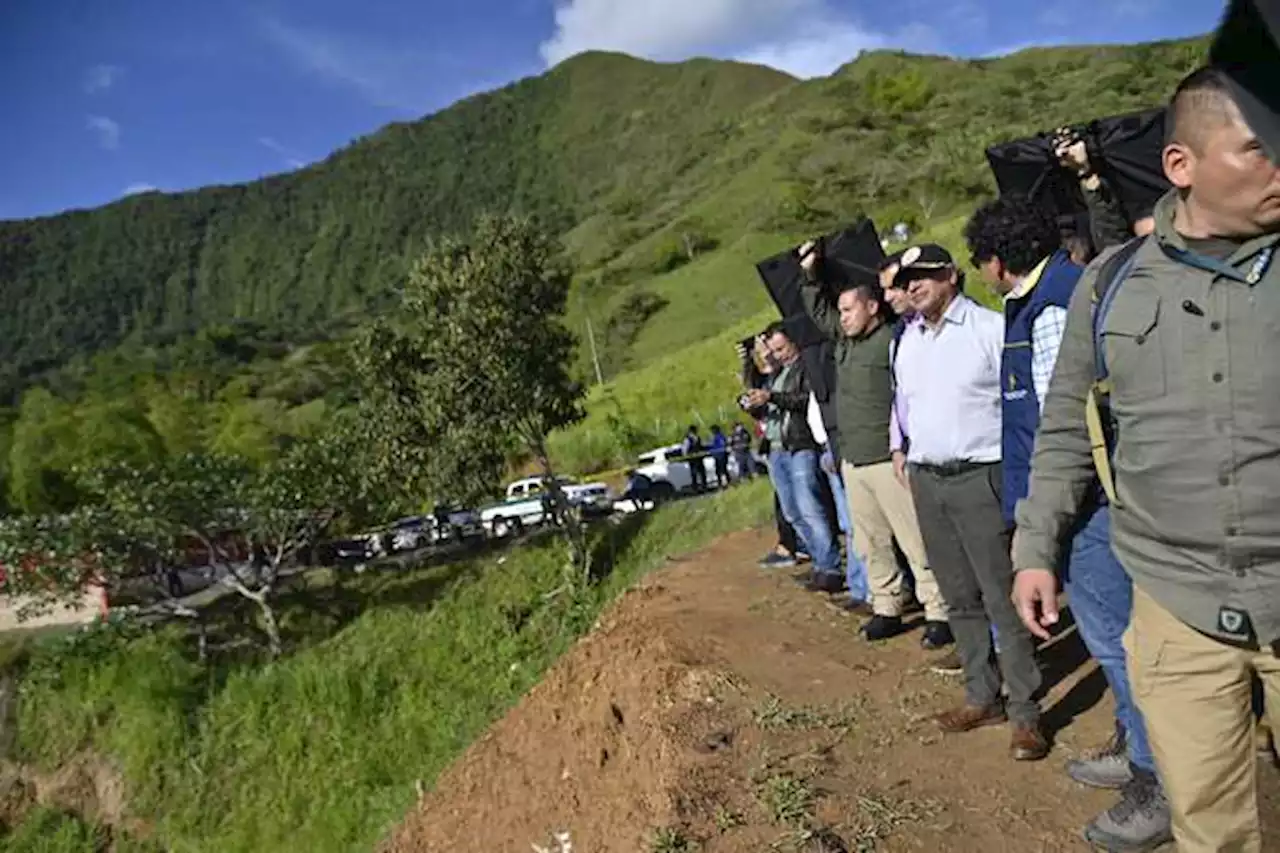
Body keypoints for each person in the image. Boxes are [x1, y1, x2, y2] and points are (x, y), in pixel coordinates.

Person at [1013, 67, 1280, 852]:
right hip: (1176, 603)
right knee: (1209, 827)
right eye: (1261, 149)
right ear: (1182, 166)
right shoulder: (1111, 285)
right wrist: (1037, 547)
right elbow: (1066, 426)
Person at [966, 196, 1172, 847]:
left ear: (997, 261)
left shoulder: (1056, 307)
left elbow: (1072, 425)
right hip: (1071, 507)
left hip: (1084, 510)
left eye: (980, 262)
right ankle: (1137, 744)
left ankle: (1158, 779)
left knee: (1118, 641)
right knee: (1116, 643)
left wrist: (1046, 526)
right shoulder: (1041, 299)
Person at [892, 243, 1047, 761]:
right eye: (907, 278)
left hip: (981, 477)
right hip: (928, 479)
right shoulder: (907, 341)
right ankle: (983, 695)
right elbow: (908, 406)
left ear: (952, 277)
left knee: (1001, 597)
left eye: (925, 276)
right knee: (958, 597)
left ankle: (1026, 712)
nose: (914, 285)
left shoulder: (989, 330)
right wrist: (906, 453)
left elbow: (1019, 408)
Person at [797, 243, 951, 646]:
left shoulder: (892, 340)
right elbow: (818, 312)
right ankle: (887, 606)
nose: (842, 318)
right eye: (841, 311)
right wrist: (812, 274)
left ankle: (938, 609)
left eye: (849, 310)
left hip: (889, 460)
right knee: (870, 543)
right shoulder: (844, 343)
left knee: (914, 539)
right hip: (855, 462)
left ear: (872, 309)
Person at [743, 324, 843, 591]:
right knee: (792, 512)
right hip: (776, 447)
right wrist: (758, 401)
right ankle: (819, 561)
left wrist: (772, 396)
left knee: (810, 509)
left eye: (782, 348)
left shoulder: (805, 368)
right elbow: (761, 389)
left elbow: (805, 401)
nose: (779, 354)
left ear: (794, 343)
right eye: (774, 350)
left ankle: (830, 567)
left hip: (800, 445)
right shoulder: (777, 373)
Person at [804, 389, 869, 606]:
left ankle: (866, 590)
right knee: (847, 523)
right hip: (826, 444)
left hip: (839, 441)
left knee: (854, 522)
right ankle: (858, 585)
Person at [681, 425, 707, 493]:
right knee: (694, 474)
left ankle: (704, 487)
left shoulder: (698, 437)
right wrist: (687, 456)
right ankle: (695, 489)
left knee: (702, 474)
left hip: (699, 458)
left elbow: (701, 446)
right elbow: (685, 449)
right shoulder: (687, 439)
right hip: (693, 459)